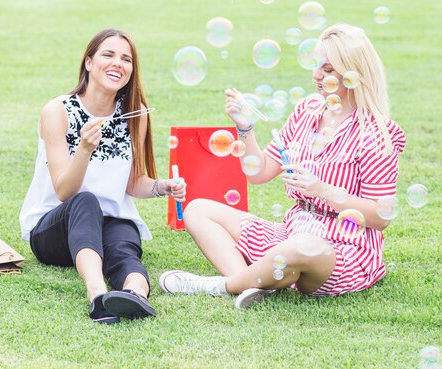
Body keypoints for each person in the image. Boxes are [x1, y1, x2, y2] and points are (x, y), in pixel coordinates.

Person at [159, 24, 405, 308]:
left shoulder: (377, 133)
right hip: (292, 232)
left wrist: (321, 190)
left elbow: (381, 216)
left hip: (343, 249)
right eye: (316, 66)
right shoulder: (307, 110)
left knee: (300, 249)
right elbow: (260, 171)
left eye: (327, 69)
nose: (316, 75)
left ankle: (218, 285)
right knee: (197, 209)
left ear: (353, 74)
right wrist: (244, 127)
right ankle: (255, 281)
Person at [20, 28, 186, 323]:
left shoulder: (135, 114)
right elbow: (64, 191)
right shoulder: (58, 111)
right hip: (54, 228)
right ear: (88, 62)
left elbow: (133, 182)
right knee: (86, 201)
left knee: (123, 240)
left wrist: (163, 187)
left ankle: (135, 296)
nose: (117, 64)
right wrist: (84, 147)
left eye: (126, 59)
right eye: (108, 55)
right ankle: (97, 295)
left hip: (107, 223)